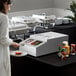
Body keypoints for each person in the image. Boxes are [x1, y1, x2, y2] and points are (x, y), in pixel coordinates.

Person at [0, 0, 20, 76]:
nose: (9, 8)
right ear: (5, 4)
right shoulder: (3, 17)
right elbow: (3, 39)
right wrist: (13, 43)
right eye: (10, 5)